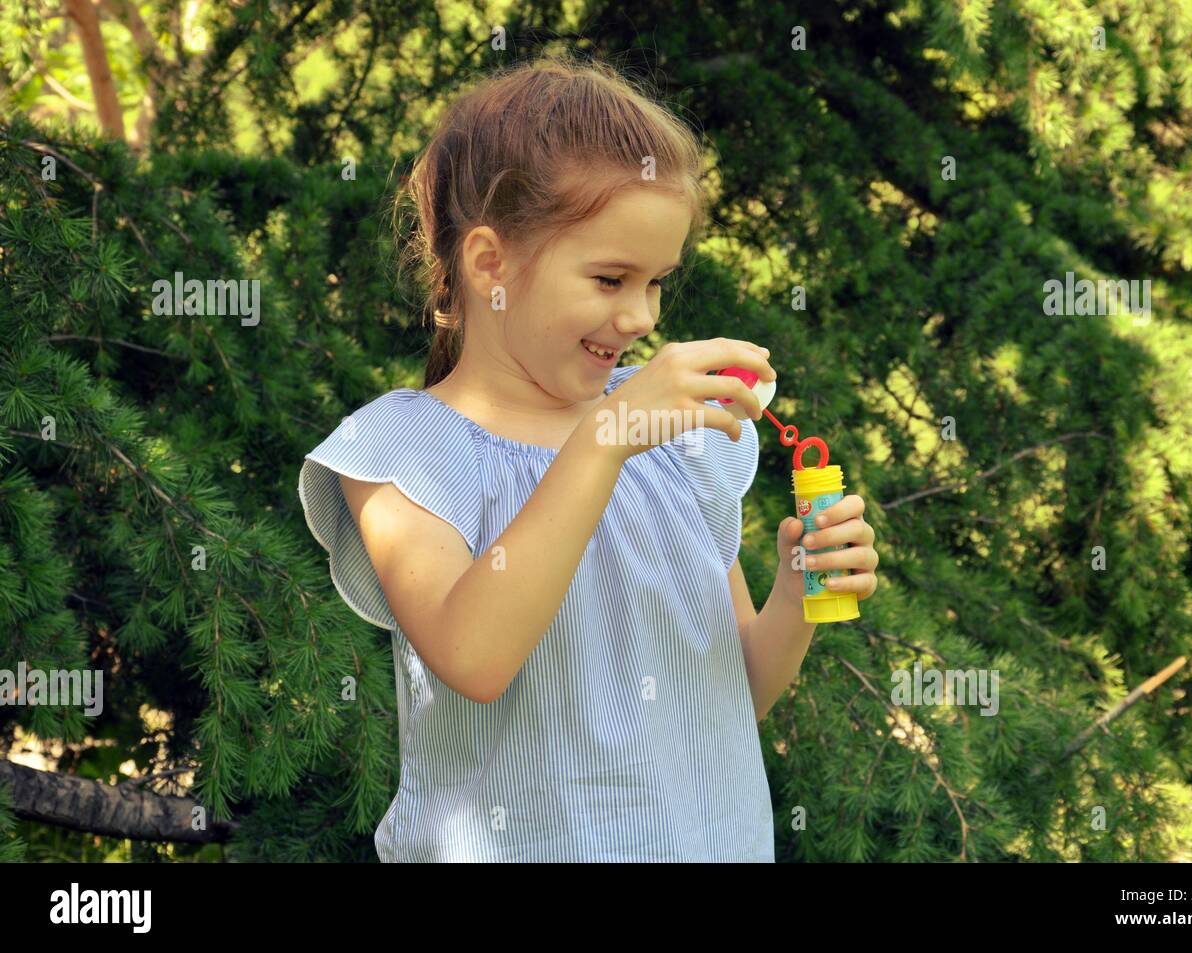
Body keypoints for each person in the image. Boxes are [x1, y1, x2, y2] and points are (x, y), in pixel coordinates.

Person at [298, 53, 879, 862]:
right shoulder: (403, 453)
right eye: (610, 278)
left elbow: (729, 694)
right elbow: (475, 657)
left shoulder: (670, 442)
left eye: (658, 282)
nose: (641, 316)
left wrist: (798, 591)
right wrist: (604, 439)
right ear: (490, 263)